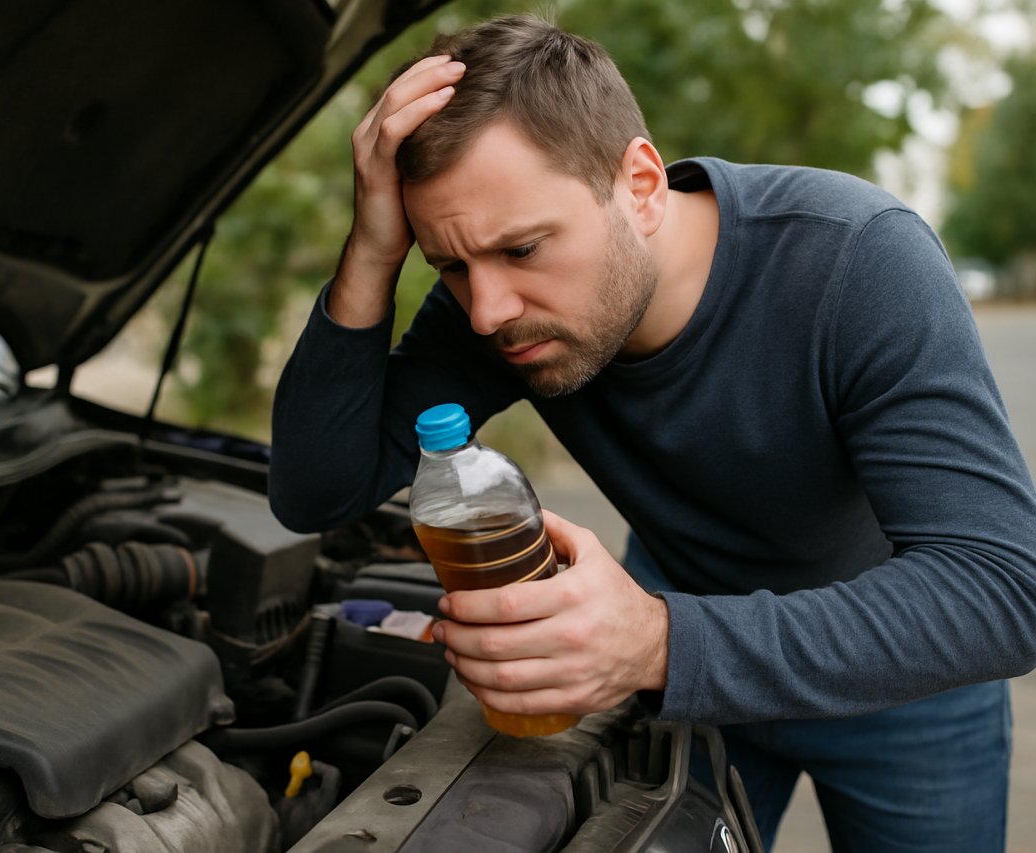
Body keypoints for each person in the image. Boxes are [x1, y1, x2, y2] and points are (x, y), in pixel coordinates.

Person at [268, 14, 1036, 851]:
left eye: (523, 248)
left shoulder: (856, 262)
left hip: (900, 682)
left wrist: (662, 642)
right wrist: (375, 248)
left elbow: (1001, 587)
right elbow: (317, 488)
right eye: (449, 265)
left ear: (639, 183)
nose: (487, 309)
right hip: (683, 678)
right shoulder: (495, 310)